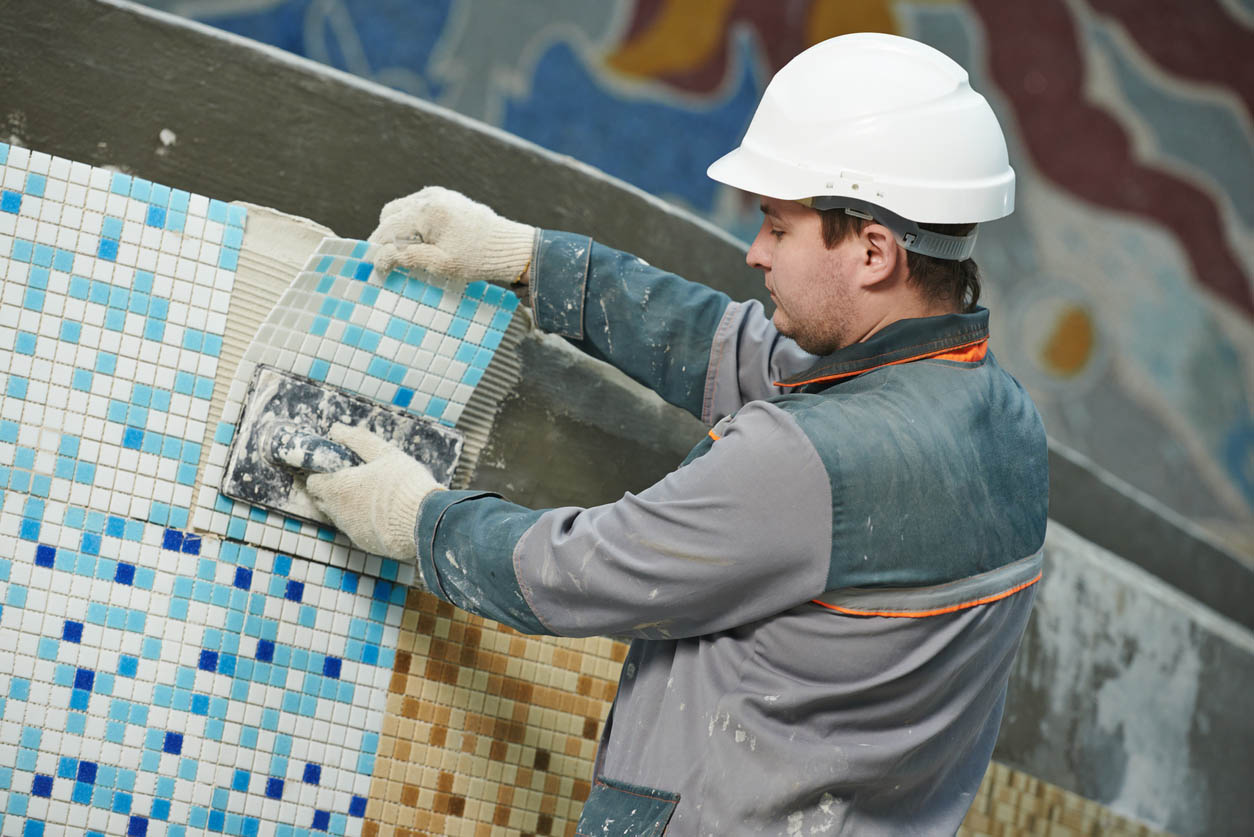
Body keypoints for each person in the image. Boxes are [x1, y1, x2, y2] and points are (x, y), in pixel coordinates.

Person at [305, 32, 1048, 836]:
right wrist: (528, 259)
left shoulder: (806, 463)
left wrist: (417, 520)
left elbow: (571, 573)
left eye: (778, 227)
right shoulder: (1000, 424)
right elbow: (741, 352)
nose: (757, 253)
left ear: (873, 251)